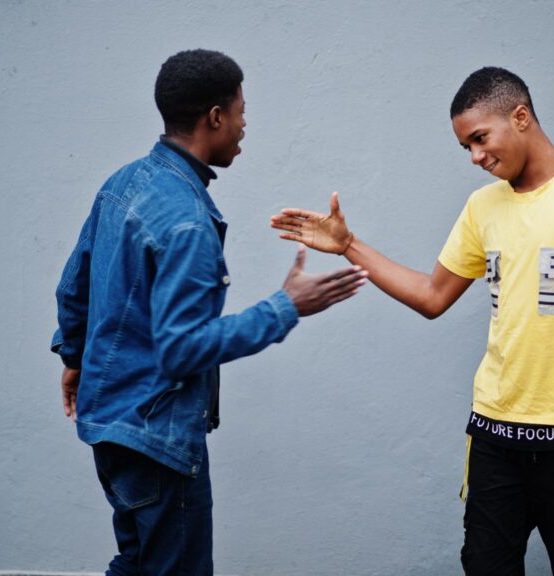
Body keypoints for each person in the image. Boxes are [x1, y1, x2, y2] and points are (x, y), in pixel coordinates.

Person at [270, 67, 554, 576]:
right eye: (466, 148)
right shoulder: (483, 207)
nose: (476, 158)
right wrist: (349, 246)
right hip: (494, 438)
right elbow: (432, 296)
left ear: (520, 117)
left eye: (480, 139)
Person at [51, 49, 367, 576]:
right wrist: (286, 307)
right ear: (215, 117)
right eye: (241, 111)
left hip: (110, 425)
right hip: (156, 438)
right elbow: (182, 348)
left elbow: (74, 283)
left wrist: (74, 355)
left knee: (137, 563)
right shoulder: (187, 220)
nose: (245, 126)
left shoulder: (123, 183)